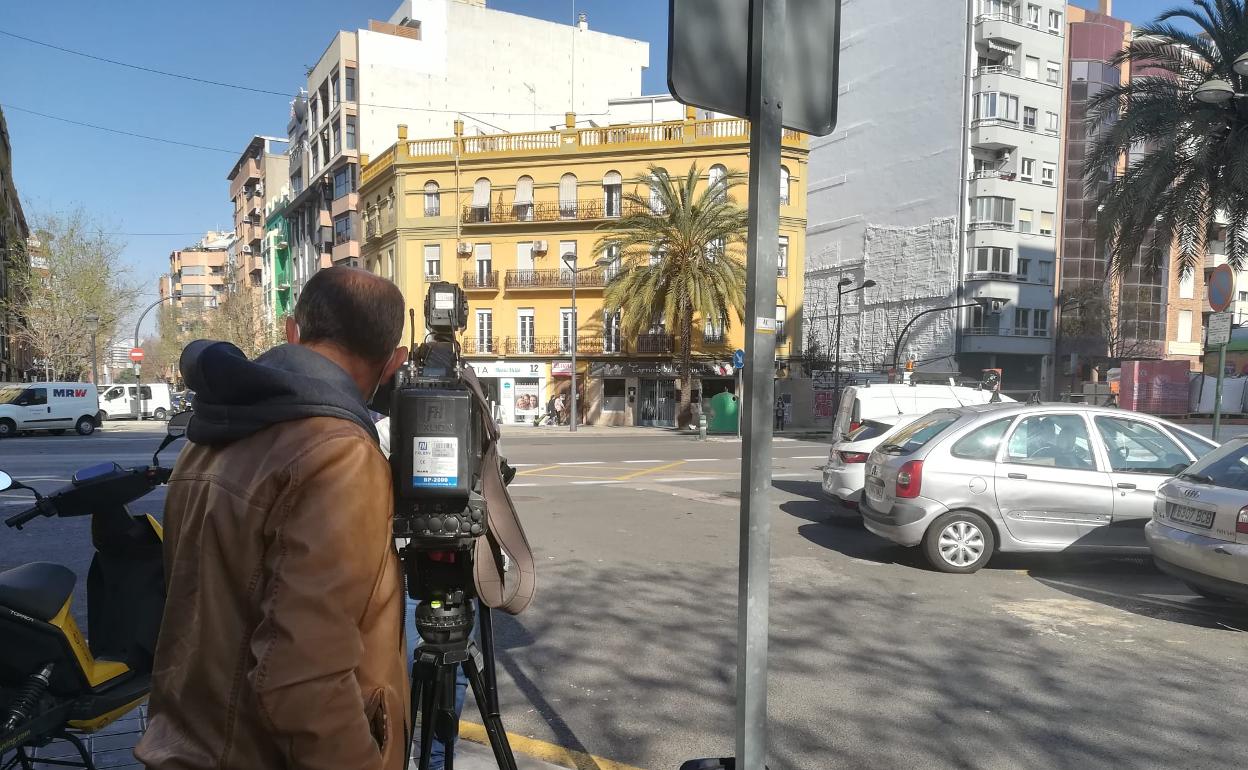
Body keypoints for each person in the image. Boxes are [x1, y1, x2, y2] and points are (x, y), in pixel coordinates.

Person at [135, 267, 411, 770]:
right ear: (393, 362)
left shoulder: (209, 437)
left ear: (292, 332)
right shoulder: (338, 454)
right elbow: (302, 676)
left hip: (185, 746)